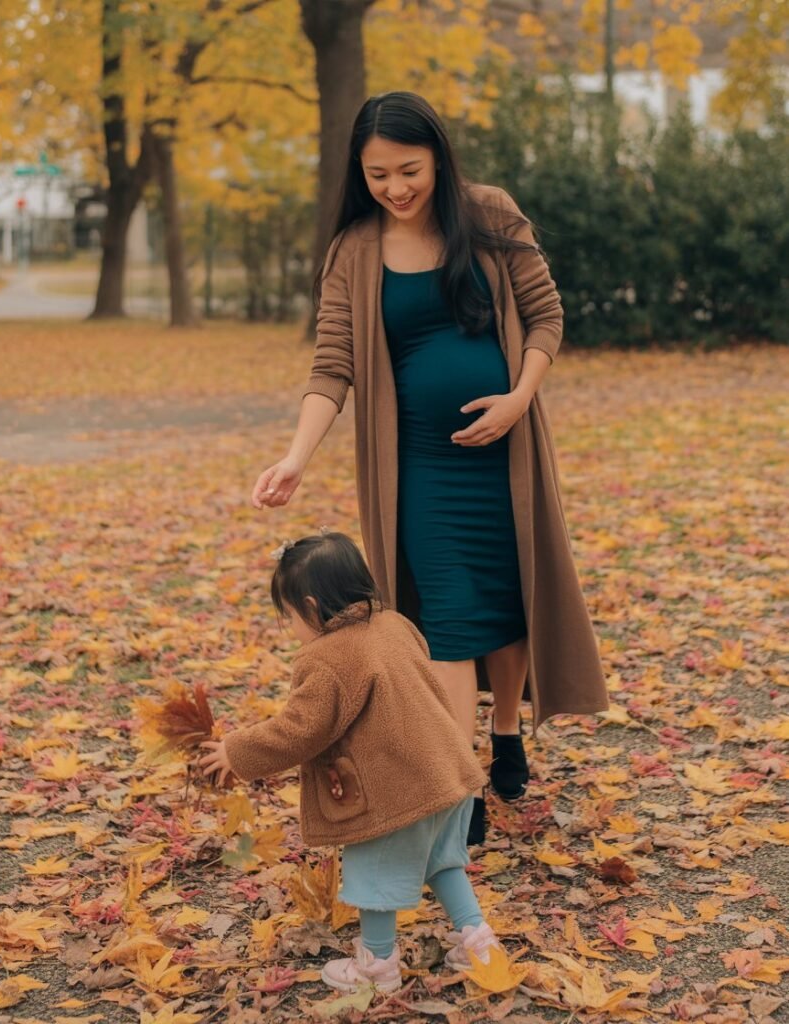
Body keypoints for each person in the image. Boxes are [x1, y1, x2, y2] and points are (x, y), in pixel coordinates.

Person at [251, 92, 609, 845]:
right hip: (418, 470)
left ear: (437, 158)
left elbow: (545, 315)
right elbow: (331, 366)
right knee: (445, 621)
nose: (395, 187)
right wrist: (293, 457)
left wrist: (518, 398)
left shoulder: (491, 215)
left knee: (506, 605)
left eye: (407, 170)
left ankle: (505, 732)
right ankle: (462, 782)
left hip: (505, 456)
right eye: (378, 174)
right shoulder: (354, 248)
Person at [199, 532, 503, 994]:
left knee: (374, 874)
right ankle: (478, 942)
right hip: (449, 773)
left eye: (290, 616)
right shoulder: (397, 625)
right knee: (443, 862)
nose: (292, 628)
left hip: (396, 791)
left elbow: (299, 729)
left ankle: (377, 967)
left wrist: (237, 751)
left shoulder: (327, 657)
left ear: (310, 605)